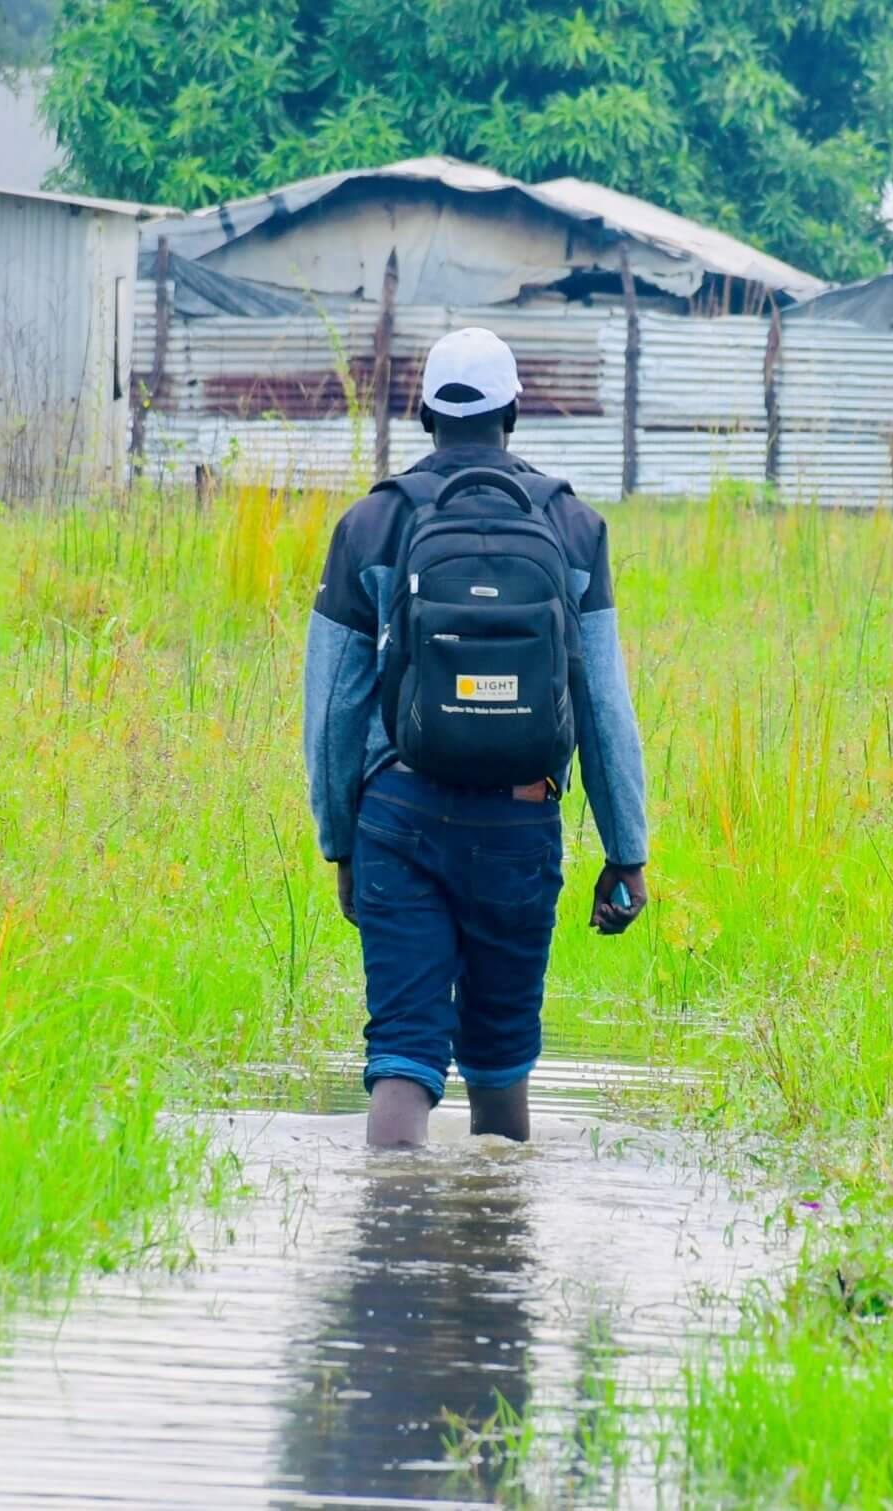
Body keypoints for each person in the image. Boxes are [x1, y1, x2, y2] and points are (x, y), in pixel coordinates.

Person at [302, 327, 649, 1149]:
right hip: (521, 825)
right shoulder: (573, 526)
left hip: (398, 819)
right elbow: (602, 705)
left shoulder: (371, 523)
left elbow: (332, 712)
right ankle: (498, 1254)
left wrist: (341, 843)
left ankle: (391, 1238)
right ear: (514, 413)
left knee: (402, 1057)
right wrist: (625, 850)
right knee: (499, 1073)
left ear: (422, 413)